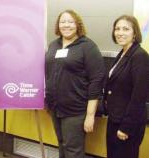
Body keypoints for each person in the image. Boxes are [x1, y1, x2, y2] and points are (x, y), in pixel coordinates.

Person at [45, 10, 105, 158]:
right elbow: (49, 73)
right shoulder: (54, 45)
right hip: (55, 108)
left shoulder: (87, 47)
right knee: (61, 144)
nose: (66, 25)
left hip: (75, 110)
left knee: (73, 151)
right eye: (63, 22)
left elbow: (96, 81)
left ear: (77, 24)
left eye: (70, 22)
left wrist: (90, 115)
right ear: (58, 25)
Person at [104, 15, 149, 158]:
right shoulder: (123, 53)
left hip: (127, 123)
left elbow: (139, 96)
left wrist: (126, 127)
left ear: (134, 33)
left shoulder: (139, 56)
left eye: (125, 29)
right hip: (115, 118)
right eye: (117, 29)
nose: (120, 32)